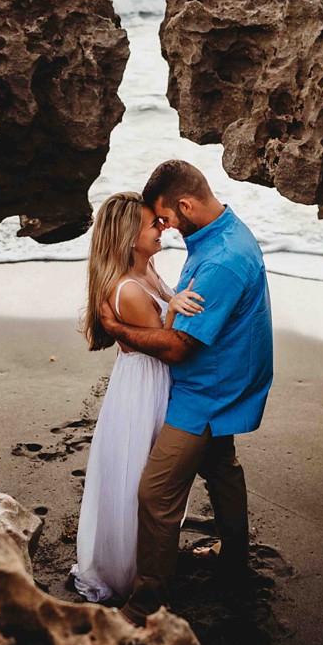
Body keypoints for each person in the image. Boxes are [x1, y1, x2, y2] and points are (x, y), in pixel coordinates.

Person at [97, 160, 274, 625]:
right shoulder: (220, 235)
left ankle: (146, 601)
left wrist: (115, 326)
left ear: (186, 204)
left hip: (205, 391)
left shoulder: (221, 259)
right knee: (222, 471)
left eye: (166, 218)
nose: (164, 228)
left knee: (156, 496)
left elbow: (176, 347)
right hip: (222, 379)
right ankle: (234, 560)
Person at [73, 194, 204, 603]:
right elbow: (164, 345)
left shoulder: (146, 269)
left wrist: (174, 299)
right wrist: (174, 309)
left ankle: (150, 556)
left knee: (149, 474)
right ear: (130, 237)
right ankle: (129, 569)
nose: (162, 227)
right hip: (144, 387)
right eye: (153, 225)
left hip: (154, 380)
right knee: (139, 477)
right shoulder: (127, 290)